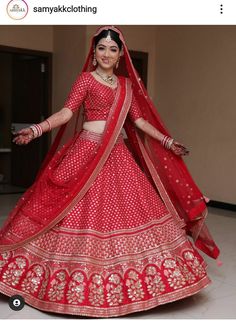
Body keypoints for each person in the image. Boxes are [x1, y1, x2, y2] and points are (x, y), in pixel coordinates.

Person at [0, 26, 219, 318]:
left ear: (119, 55)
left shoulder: (126, 86)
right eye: (101, 47)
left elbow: (139, 122)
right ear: (94, 52)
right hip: (86, 152)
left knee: (127, 210)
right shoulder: (85, 80)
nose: (106, 53)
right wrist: (37, 129)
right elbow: (67, 113)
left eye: (112, 49)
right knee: (66, 208)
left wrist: (167, 141)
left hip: (117, 154)